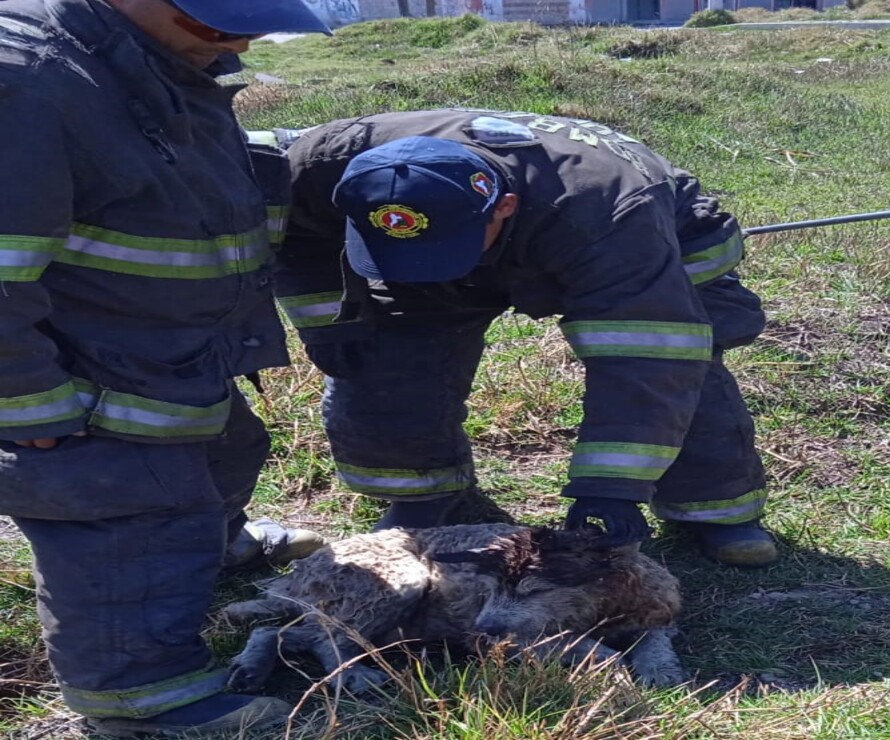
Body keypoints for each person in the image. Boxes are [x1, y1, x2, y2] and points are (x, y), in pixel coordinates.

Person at [0, 0, 331, 735]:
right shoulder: (23, 82)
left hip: (164, 349)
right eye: (217, 24)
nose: (239, 40)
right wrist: (32, 412)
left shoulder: (154, 57)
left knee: (225, 452)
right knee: (122, 500)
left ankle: (210, 548)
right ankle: (138, 696)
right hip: (75, 372)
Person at [269, 110, 780, 568]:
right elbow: (299, 241)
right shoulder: (322, 165)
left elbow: (645, 361)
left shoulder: (608, 213)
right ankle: (420, 493)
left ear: (505, 206)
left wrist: (610, 488)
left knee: (685, 365)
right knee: (385, 358)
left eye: (441, 249)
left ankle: (715, 509)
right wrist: (329, 322)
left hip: (649, 240)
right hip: (495, 240)